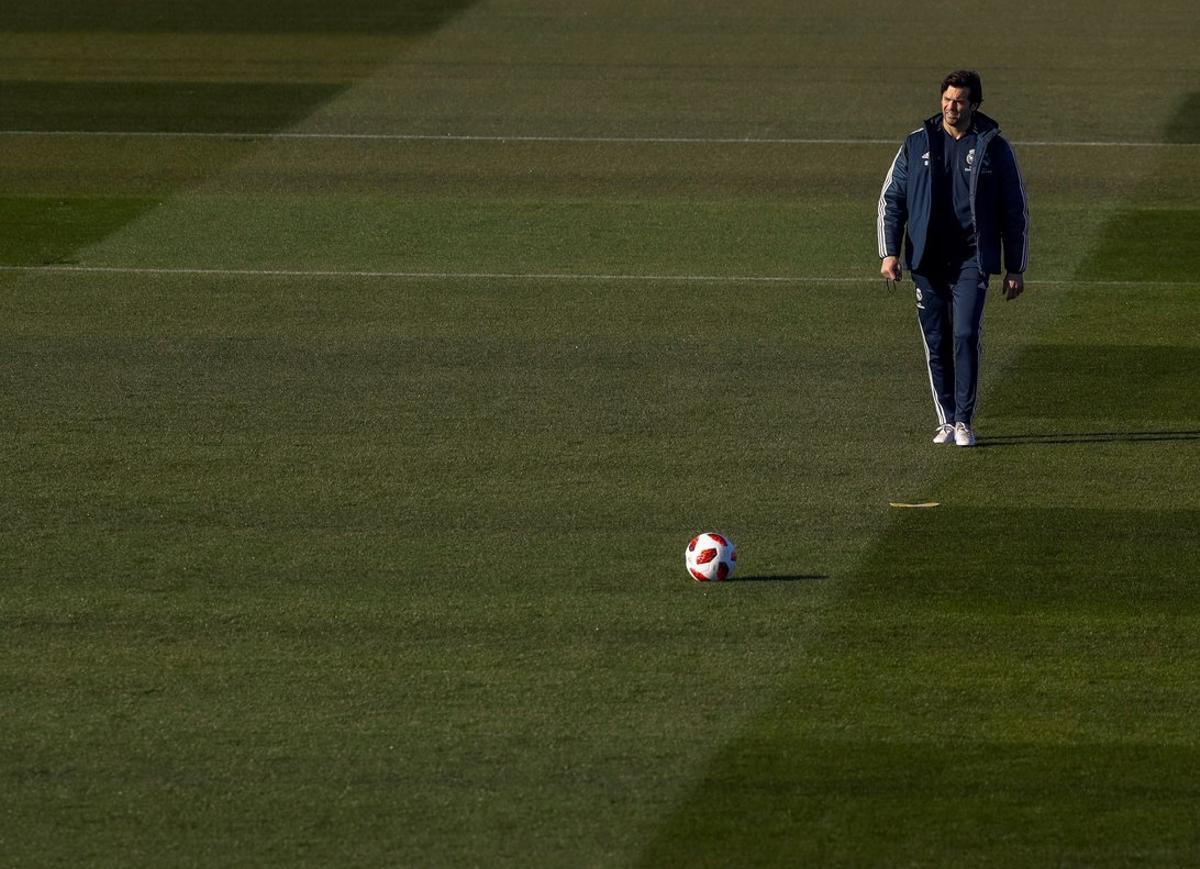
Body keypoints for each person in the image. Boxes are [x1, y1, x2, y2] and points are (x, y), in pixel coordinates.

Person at [877, 69, 1029, 447]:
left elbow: (1015, 208)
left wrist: (1016, 267)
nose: (951, 107)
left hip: (972, 260)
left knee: (963, 334)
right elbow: (891, 199)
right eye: (946, 100)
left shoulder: (994, 146)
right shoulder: (917, 143)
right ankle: (945, 420)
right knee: (937, 339)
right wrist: (890, 252)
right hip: (927, 259)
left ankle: (964, 421)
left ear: (974, 104)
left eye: (959, 101)